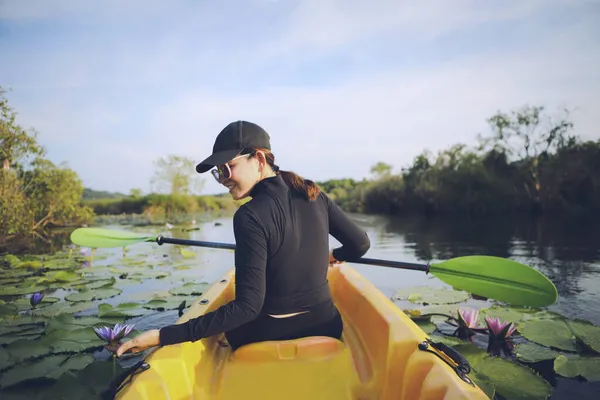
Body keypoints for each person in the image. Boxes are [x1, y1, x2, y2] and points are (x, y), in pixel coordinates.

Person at [116, 120, 370, 356]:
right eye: (218, 173)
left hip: (266, 334)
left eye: (227, 168)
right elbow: (360, 244)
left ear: (258, 158)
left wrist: (163, 335)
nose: (224, 180)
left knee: (234, 327)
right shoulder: (316, 196)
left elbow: (247, 308)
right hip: (327, 327)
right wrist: (336, 255)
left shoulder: (249, 215)